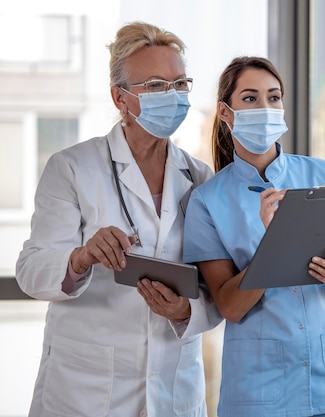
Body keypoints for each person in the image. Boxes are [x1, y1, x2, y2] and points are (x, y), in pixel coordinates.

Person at [16, 21, 222, 417]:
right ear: (120, 98)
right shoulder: (72, 168)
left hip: (174, 388)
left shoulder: (200, 179)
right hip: (86, 392)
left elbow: (217, 286)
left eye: (181, 84)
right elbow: (30, 270)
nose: (174, 96)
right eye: (157, 86)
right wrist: (80, 257)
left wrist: (183, 311)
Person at [183, 56, 325, 417]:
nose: (265, 107)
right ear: (226, 113)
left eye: (274, 98)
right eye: (251, 98)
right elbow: (229, 306)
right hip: (260, 390)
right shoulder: (207, 202)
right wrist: (275, 244)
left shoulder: (324, 174)